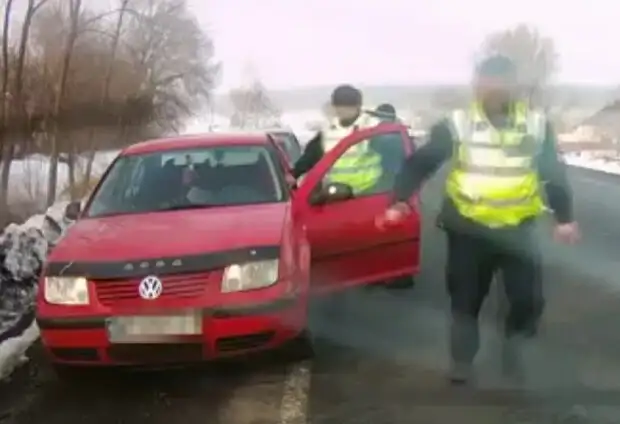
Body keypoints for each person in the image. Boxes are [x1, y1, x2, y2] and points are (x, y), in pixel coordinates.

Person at [378, 54, 580, 385]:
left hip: (518, 229)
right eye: (488, 82)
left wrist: (565, 217)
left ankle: (514, 352)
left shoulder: (536, 125)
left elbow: (552, 174)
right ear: (477, 86)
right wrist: (399, 199)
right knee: (465, 299)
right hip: (468, 230)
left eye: (502, 83)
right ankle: (462, 361)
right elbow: (421, 162)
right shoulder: (456, 124)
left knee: (527, 301)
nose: (495, 90)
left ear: (514, 86)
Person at [292, 84, 382, 180]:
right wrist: (293, 174)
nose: (343, 110)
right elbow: (310, 156)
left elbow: (390, 159)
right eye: (339, 106)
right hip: (336, 191)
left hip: (370, 190)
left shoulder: (373, 126)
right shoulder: (328, 130)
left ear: (358, 106)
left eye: (348, 106)